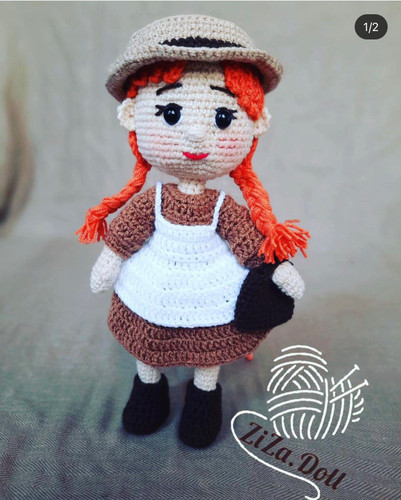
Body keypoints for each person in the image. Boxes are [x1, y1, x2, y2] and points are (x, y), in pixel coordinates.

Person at [76, 15, 310, 448]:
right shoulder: (153, 201)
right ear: (133, 116)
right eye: (171, 113)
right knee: (148, 342)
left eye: (222, 116)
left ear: (254, 122)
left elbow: (249, 243)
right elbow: (125, 233)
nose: (197, 134)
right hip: (154, 285)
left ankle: (204, 396)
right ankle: (149, 389)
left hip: (209, 287)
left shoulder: (222, 207)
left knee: (209, 346)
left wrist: (279, 269)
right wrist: (110, 260)